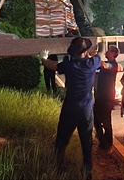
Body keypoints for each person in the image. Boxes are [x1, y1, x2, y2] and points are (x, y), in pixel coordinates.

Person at [39, 37, 110, 180]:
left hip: (70, 107)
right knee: (86, 142)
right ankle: (87, 172)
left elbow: (51, 65)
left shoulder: (69, 65)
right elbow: (101, 52)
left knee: (62, 139)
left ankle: (59, 167)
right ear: (85, 52)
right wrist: (100, 43)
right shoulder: (92, 63)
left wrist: (43, 58)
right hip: (85, 110)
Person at [93, 45, 121, 152]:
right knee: (96, 120)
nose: (106, 52)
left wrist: (95, 55)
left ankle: (108, 144)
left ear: (113, 54)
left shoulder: (113, 65)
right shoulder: (104, 64)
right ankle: (102, 140)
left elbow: (105, 65)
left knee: (106, 121)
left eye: (108, 51)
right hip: (99, 96)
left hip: (107, 97)